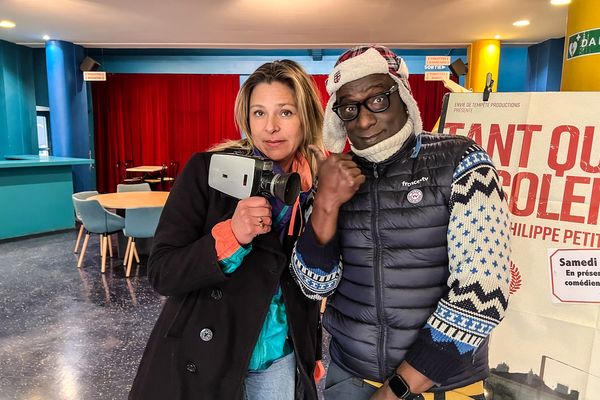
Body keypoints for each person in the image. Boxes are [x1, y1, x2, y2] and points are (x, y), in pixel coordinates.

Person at [289, 45, 511, 400]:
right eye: (350, 108)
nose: (363, 120)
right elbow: (314, 287)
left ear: (403, 96)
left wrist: (397, 389)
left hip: (443, 384)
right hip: (350, 375)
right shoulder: (335, 176)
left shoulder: (462, 160)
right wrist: (326, 204)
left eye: (377, 100)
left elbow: (482, 294)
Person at [129, 60, 325, 400]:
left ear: (306, 117)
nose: (271, 127)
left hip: (277, 359)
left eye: (286, 113)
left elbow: (306, 289)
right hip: (205, 357)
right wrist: (230, 236)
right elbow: (162, 273)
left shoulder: (317, 187)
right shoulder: (207, 171)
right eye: (259, 113)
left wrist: (311, 349)